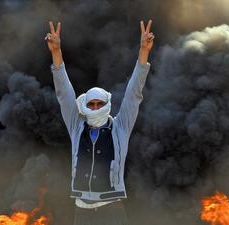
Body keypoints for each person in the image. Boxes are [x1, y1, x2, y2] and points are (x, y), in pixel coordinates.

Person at [46, 19, 154, 225]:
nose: (95, 108)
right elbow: (64, 94)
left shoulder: (120, 128)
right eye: (91, 104)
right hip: (82, 212)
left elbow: (134, 94)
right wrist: (56, 52)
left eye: (99, 104)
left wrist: (143, 52)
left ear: (106, 104)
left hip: (111, 210)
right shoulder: (78, 127)